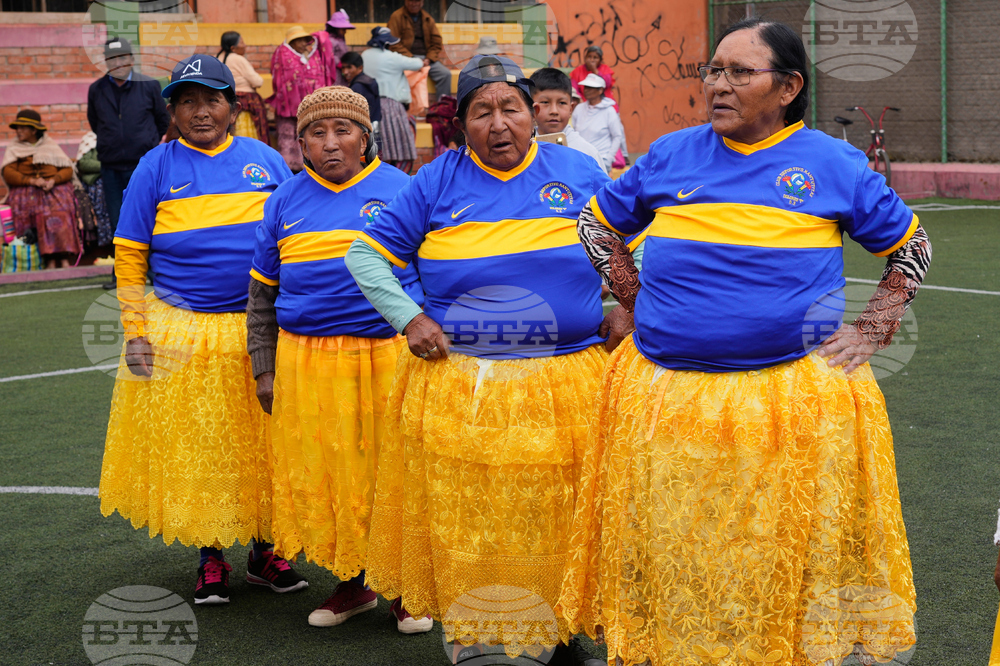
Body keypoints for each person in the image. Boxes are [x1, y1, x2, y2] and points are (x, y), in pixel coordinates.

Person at [556, 17, 925, 666]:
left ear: (787, 88)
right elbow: (596, 222)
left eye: (739, 73)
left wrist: (874, 326)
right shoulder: (671, 154)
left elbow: (910, 248)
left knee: (775, 550)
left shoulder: (833, 164)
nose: (718, 85)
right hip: (668, 398)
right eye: (714, 70)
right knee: (677, 547)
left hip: (789, 405)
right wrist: (633, 297)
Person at [345, 55, 615, 666]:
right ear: (460, 123)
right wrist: (409, 317)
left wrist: (627, 301)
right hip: (470, 385)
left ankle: (574, 625)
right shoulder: (436, 181)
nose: (499, 124)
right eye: (481, 112)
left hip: (571, 376)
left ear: (533, 113)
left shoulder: (578, 171)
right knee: (487, 519)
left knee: (570, 511)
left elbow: (632, 243)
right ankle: (492, 639)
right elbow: (366, 256)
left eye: (510, 108)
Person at [98, 54, 303, 606]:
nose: (200, 111)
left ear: (233, 107)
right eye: (187, 100)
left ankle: (266, 552)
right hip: (184, 334)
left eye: (212, 98)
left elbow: (296, 239)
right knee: (204, 450)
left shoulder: (265, 160)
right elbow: (130, 250)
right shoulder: (155, 166)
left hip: (260, 331)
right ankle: (211, 554)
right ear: (173, 111)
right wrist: (136, 329)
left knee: (267, 446)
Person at [246, 86, 425, 630]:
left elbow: (436, 275)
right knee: (332, 476)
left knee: (395, 473)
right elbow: (261, 294)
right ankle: (353, 582)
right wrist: (264, 366)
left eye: (342, 131)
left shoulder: (404, 190)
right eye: (315, 134)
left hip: (390, 355)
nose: (329, 144)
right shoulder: (282, 199)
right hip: (307, 361)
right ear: (298, 144)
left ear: (365, 137)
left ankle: (406, 589)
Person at [87, 37, 170, 288]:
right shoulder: (96, 90)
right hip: (111, 166)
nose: (118, 63)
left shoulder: (149, 85)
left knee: (150, 219)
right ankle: (122, 275)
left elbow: (162, 120)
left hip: (143, 167)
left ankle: (156, 273)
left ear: (132, 59)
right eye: (111, 59)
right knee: (118, 221)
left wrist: (147, 144)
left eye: (122, 57)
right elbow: (94, 122)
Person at [1, 109, 81, 269]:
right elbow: (8, 173)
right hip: (27, 189)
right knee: (37, 210)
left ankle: (63, 256)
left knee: (60, 210)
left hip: (53, 188)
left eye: (23, 128)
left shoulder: (49, 145)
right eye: (17, 128)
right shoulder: (14, 148)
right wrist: (31, 180)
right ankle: (46, 258)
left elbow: (67, 169)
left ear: (34, 130)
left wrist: (53, 180)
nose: (18, 131)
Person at [268, 26, 333, 172]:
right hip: (288, 109)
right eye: (301, 41)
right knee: (288, 136)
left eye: (306, 40)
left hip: (307, 109)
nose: (305, 44)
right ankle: (288, 168)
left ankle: (308, 164)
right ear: (293, 42)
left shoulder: (306, 57)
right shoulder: (283, 55)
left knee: (307, 134)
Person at [362, 27, 422, 173]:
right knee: (397, 149)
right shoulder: (392, 57)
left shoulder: (364, 55)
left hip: (368, 106)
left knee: (377, 148)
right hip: (390, 105)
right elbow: (418, 64)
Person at [529, 68, 605, 173]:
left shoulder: (587, 154)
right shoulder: (524, 150)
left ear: (571, 109)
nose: (554, 111)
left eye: (562, 103)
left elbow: (602, 189)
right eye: (545, 102)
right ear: (532, 108)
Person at [388, 0, 451, 96]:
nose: (414, 4)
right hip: (406, 58)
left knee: (445, 74)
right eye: (411, 1)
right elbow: (393, 43)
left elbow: (436, 42)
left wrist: (428, 59)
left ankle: (443, 107)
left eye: (417, 1)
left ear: (422, 2)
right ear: (405, 1)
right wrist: (412, 59)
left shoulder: (427, 18)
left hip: (426, 59)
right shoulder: (396, 16)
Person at [217, 31, 269, 144]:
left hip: (227, 99)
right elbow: (257, 81)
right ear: (233, 48)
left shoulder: (218, 58)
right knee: (249, 137)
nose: (245, 45)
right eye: (241, 42)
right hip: (246, 104)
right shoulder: (238, 59)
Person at [570, 73, 627, 172]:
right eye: (586, 87)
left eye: (591, 87)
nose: (586, 90)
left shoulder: (609, 111)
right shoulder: (579, 108)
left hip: (601, 161)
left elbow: (617, 136)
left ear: (600, 90)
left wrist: (608, 160)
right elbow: (574, 131)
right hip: (580, 160)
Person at [75, 131, 114, 249]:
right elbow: (84, 163)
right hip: (94, 182)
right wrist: (108, 165)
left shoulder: (116, 137)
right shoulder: (90, 139)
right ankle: (105, 242)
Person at [315, 10, 355, 87]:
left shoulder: (340, 39)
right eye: (343, 29)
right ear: (336, 28)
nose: (345, 32)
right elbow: (330, 55)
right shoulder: (330, 40)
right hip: (334, 71)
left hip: (342, 70)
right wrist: (340, 64)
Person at [341, 50, 381, 126]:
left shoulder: (357, 87)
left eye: (349, 67)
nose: (345, 72)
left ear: (360, 68)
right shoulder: (370, 81)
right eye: (343, 68)